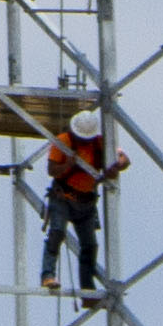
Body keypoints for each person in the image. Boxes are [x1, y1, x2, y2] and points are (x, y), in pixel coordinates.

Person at [39, 106, 120, 301]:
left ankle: (87, 290)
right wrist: (68, 164)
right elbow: (52, 170)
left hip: (86, 202)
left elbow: (122, 159)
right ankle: (48, 275)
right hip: (63, 197)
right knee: (57, 232)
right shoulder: (64, 142)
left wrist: (115, 167)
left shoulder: (99, 144)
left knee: (90, 245)